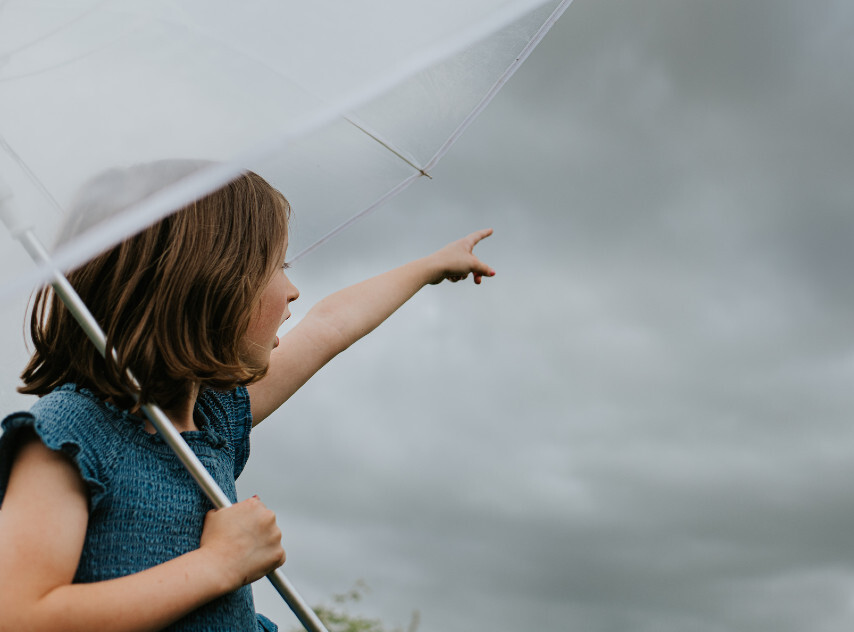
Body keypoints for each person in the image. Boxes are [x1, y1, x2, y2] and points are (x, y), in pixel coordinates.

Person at [0, 166, 495, 631]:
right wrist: (219, 565)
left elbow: (330, 326)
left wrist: (430, 266)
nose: (294, 292)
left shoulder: (212, 419)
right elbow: (20, 616)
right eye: (277, 266)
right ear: (207, 282)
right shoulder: (71, 434)